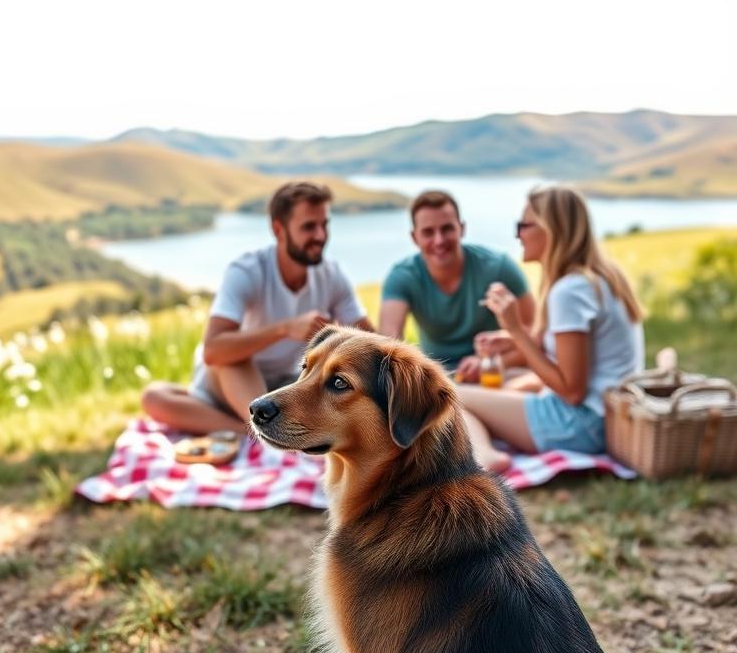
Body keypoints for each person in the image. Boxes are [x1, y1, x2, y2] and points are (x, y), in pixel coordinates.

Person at [141, 182, 373, 435]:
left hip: (286, 384)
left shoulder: (332, 275)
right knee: (155, 396)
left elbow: (371, 342)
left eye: (324, 225)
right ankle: (255, 431)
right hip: (231, 381)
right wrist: (285, 329)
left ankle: (245, 430)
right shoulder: (247, 271)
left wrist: (336, 336)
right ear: (279, 230)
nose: (320, 235)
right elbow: (213, 350)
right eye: (309, 227)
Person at [457, 185, 644, 472]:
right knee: (505, 378)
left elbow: (571, 392)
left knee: (452, 395)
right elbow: (568, 350)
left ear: (551, 229)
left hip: (582, 426)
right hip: (609, 417)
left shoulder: (570, 291)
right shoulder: (598, 277)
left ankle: (486, 458)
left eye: (523, 225)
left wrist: (517, 330)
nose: (517, 234)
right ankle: (489, 436)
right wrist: (510, 338)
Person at [379, 190, 536, 381]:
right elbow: (389, 347)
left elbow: (535, 339)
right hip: (437, 382)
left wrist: (487, 363)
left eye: (447, 229)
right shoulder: (402, 277)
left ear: (462, 228)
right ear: (414, 237)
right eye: (428, 232)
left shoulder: (499, 268)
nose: (439, 240)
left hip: (494, 372)